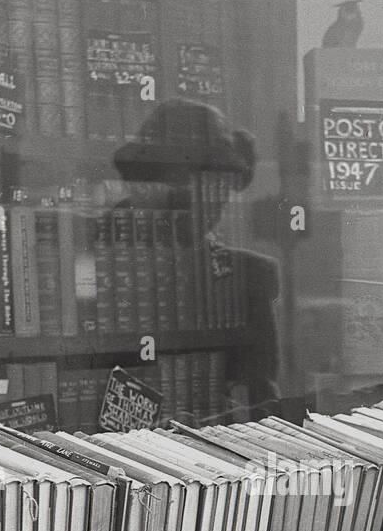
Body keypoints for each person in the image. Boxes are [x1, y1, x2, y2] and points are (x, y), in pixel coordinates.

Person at [113, 99, 282, 421]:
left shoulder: (250, 277)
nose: (211, 198)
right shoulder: (99, 251)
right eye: (184, 182)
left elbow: (262, 402)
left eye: (221, 184)